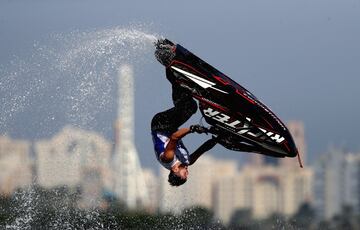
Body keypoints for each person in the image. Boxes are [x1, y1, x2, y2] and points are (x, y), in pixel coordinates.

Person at [151, 39, 217, 186]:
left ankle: (169, 62)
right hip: (171, 127)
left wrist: (193, 129)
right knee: (186, 103)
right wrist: (218, 138)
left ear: (175, 172)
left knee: (189, 107)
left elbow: (174, 138)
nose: (187, 172)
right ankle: (174, 71)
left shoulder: (168, 159)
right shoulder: (188, 161)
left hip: (160, 124)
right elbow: (203, 149)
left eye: (184, 175)